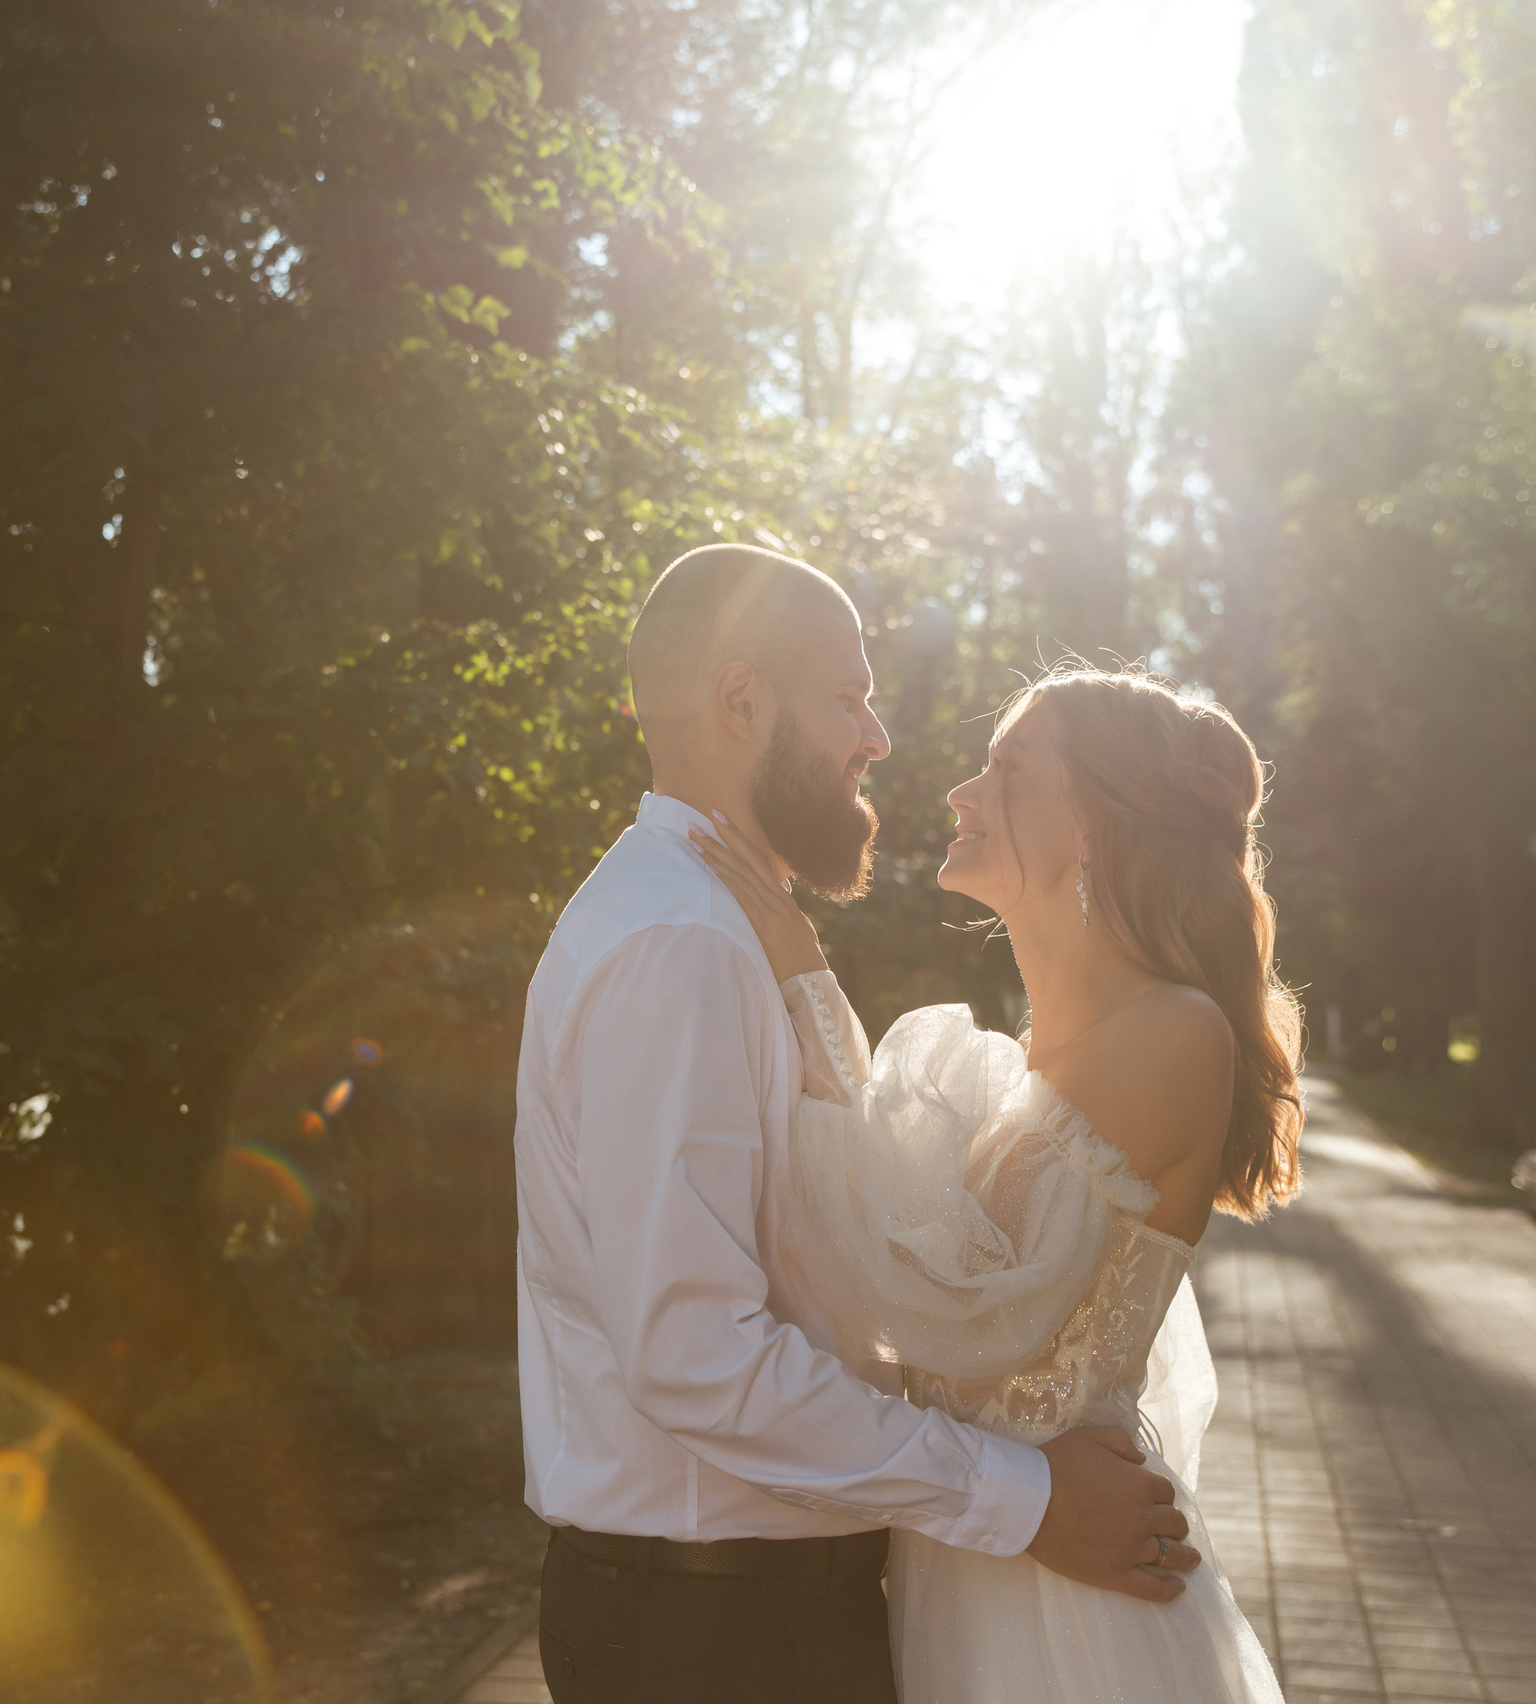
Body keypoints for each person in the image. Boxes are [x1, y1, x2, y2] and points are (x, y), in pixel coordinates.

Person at [514, 545, 1204, 1704]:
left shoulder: (720, 931)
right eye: (848, 695)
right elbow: (696, 1355)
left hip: (760, 1617)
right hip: (715, 1639)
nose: (877, 736)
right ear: (742, 701)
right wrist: (1020, 1498)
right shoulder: (682, 945)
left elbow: (859, 1245)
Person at [690, 661, 1300, 1702]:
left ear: (1098, 824)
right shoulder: (1042, 1057)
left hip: (1069, 1617)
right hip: (979, 1568)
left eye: (1007, 767)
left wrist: (802, 981)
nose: (960, 793)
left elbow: (943, 1303)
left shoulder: (1172, 1031)